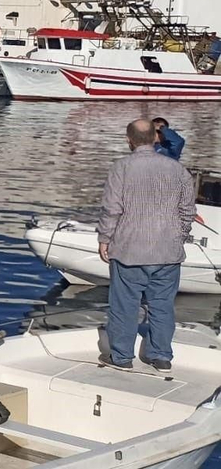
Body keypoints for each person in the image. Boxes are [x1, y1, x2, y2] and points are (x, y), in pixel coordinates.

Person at [98, 118, 195, 372]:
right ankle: (161, 356)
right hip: (168, 251)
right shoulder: (178, 170)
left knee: (124, 306)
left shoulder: (121, 168)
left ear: (128, 140)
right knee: (162, 306)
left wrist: (104, 239)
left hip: (130, 249)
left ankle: (122, 358)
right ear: (155, 137)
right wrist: (179, 236)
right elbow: (187, 211)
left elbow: (111, 209)